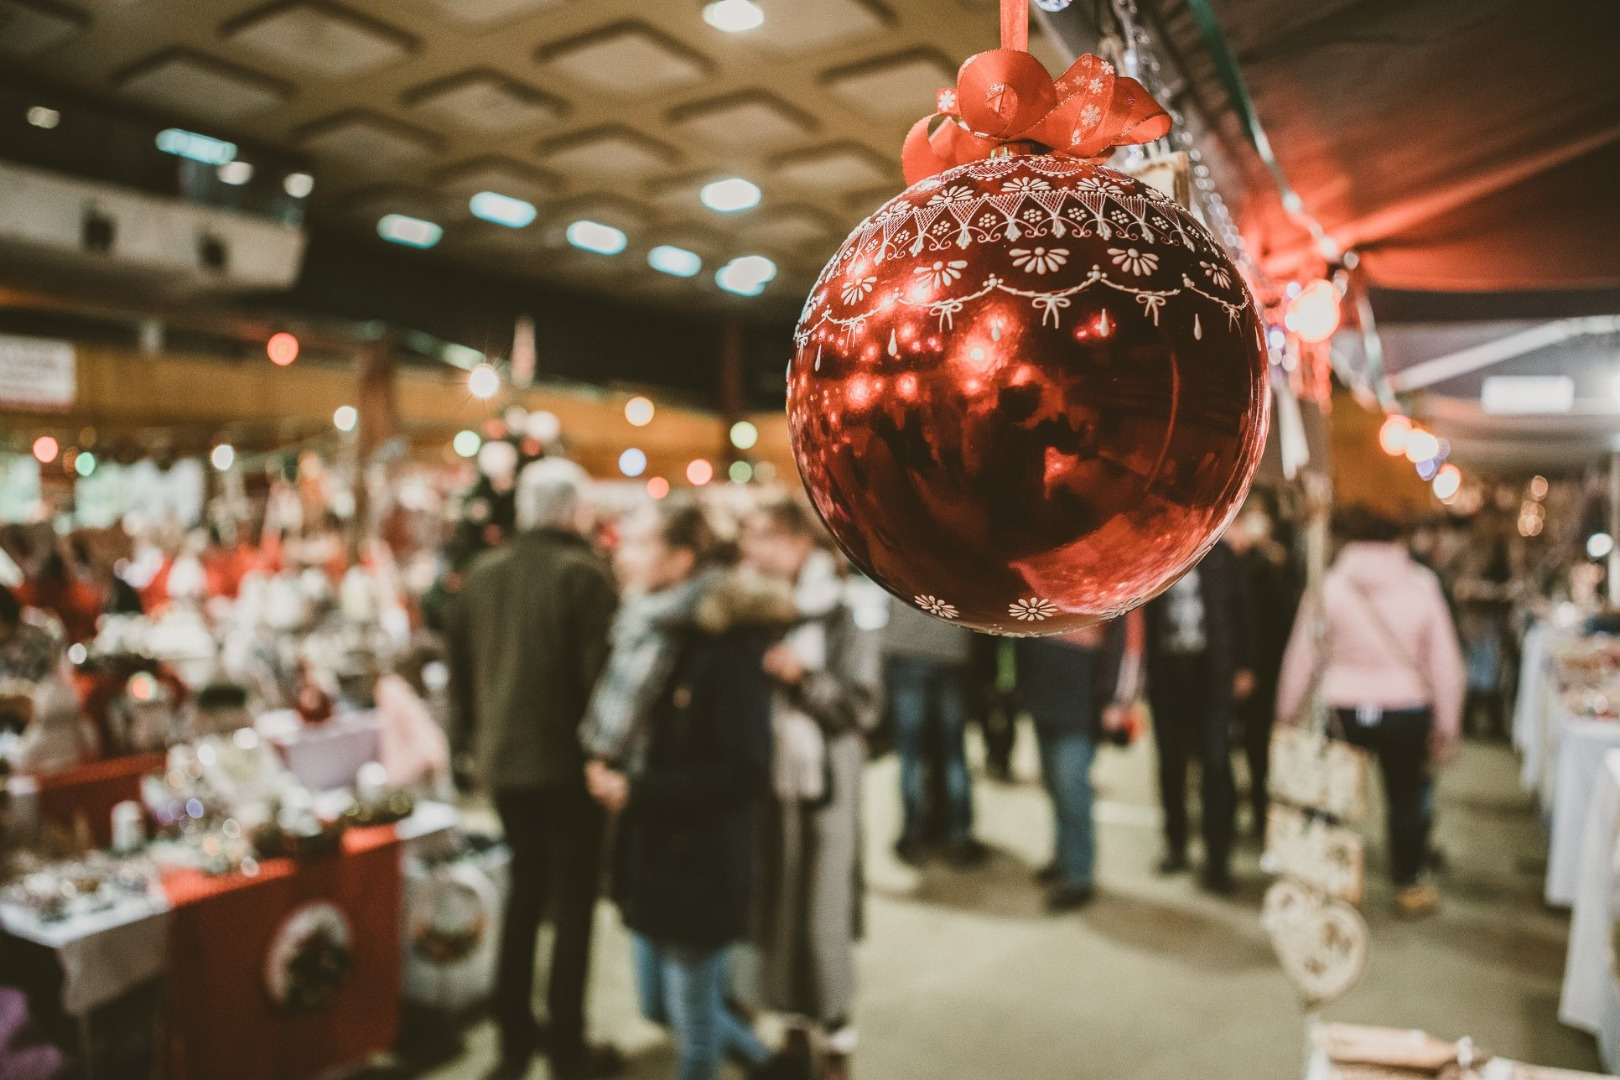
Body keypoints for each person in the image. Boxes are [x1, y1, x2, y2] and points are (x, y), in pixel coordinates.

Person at [584, 498, 798, 1080]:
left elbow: (746, 770)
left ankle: (760, 1064)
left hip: (699, 861)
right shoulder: (645, 627)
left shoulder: (725, 642)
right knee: (660, 1006)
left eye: (640, 543)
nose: (623, 556)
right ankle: (769, 1066)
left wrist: (637, 790)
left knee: (693, 1029)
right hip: (649, 851)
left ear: (681, 558)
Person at [445, 459, 621, 1080]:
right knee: (572, 903)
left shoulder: (482, 573)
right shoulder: (585, 575)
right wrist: (607, 760)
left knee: (524, 894)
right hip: (567, 768)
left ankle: (514, 1041)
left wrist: (469, 750)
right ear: (572, 509)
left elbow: (458, 677)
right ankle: (567, 1048)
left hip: (504, 765)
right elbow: (601, 685)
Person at [741, 500, 881, 1080]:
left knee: (823, 910)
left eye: (764, 536)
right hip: (771, 780)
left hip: (826, 781)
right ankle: (793, 1022)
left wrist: (803, 679)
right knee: (780, 904)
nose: (752, 549)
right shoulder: (756, 609)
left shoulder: (844, 610)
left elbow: (862, 707)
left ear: (801, 541)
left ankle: (838, 1031)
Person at [1275, 505, 1464, 918]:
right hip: (1406, 709)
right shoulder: (1421, 586)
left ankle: (1326, 882)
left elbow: (1302, 655)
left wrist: (1285, 714)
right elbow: (1444, 661)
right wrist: (1448, 725)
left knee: (1331, 797)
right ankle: (1408, 882)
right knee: (1405, 798)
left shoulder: (1329, 586)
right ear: (1397, 539)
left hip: (1342, 708)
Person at [1143, 537, 1251, 893]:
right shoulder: (1155, 553)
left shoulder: (1220, 554)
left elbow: (1242, 610)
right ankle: (1176, 845)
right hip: (1167, 674)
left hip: (1211, 675)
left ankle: (1218, 860)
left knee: (1216, 765)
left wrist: (1244, 665)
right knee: (1171, 764)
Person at [1015, 617, 1133, 910]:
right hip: (1044, 691)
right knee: (1054, 784)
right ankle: (1063, 857)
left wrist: (1119, 700)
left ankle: (1079, 875)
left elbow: (1129, 640)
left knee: (1071, 786)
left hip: (1081, 698)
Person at [882, 596, 984, 866]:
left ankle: (913, 837)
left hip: (908, 648)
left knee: (911, 754)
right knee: (953, 753)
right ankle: (959, 837)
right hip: (951, 650)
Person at [1225, 495, 1301, 842]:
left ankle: (1261, 814)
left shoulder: (1272, 565)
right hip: (1229, 671)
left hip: (1265, 673)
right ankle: (1232, 816)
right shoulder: (1224, 563)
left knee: (1259, 751)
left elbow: (1285, 620)